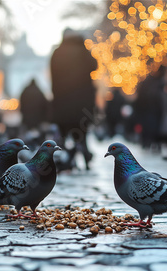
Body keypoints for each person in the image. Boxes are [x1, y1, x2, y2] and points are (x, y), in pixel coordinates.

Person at [50, 28, 97, 170]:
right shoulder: (83, 51)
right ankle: (85, 155)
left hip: (62, 102)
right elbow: (95, 66)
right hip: (82, 103)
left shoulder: (57, 52)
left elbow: (53, 76)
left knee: (63, 135)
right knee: (81, 133)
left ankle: (64, 159)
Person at [133, 66, 166, 150]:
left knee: (148, 126)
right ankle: (153, 142)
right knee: (153, 126)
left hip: (147, 109)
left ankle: (147, 142)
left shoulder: (147, 82)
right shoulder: (158, 82)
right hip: (153, 109)